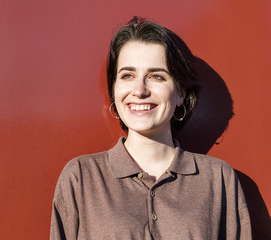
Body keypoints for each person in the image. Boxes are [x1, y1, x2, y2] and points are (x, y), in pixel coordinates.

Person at [50, 16, 251, 240]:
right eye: (127, 75)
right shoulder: (81, 177)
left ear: (181, 93)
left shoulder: (218, 178)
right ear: (114, 90)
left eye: (156, 76)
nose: (140, 90)